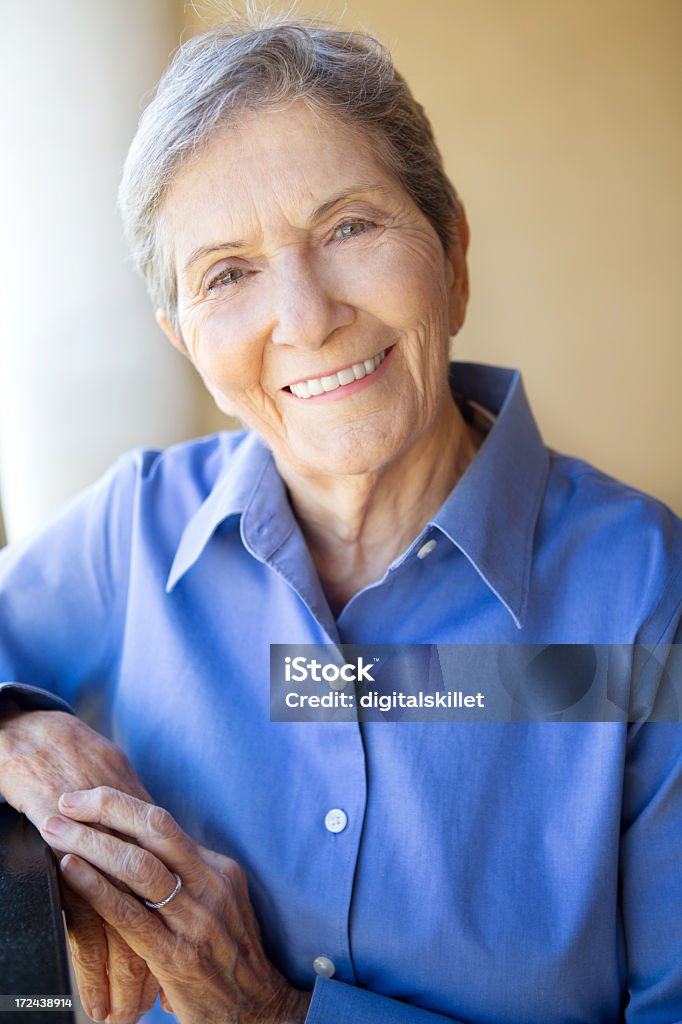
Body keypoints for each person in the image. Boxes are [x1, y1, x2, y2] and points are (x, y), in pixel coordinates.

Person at [0, 12, 680, 1024]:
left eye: (349, 227)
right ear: (185, 340)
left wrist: (278, 1014)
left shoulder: (639, 592)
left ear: (450, 252)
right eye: (228, 273)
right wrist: (19, 726)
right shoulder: (130, 531)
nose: (308, 317)